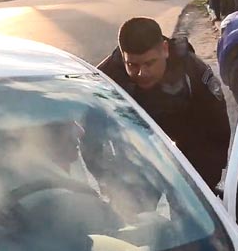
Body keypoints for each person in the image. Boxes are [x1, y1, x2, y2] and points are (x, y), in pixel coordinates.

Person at [97, 17, 231, 190]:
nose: (141, 73)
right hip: (135, 160)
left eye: (149, 63)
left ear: (165, 50)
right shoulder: (105, 80)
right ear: (123, 58)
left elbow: (218, 129)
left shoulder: (192, 71)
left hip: (190, 151)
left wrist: (202, 185)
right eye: (132, 65)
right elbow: (93, 136)